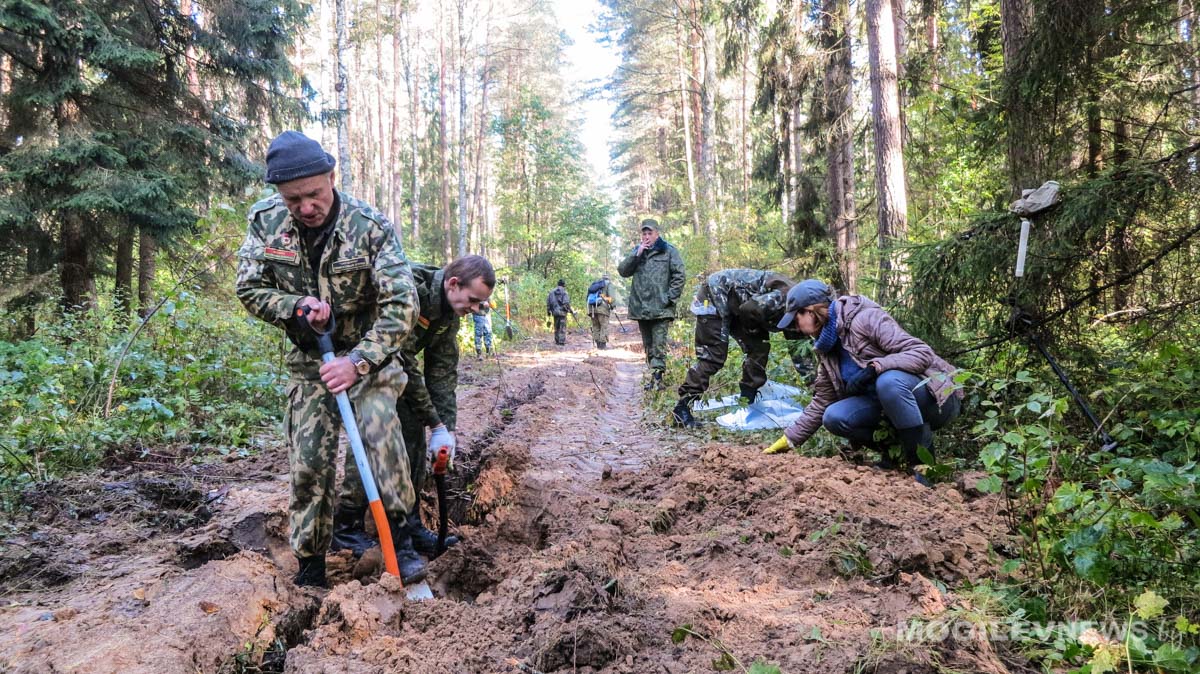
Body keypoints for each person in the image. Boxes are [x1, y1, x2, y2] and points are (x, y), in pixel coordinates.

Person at [235, 131, 419, 588]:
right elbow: (250, 288)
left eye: (314, 194)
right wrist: (296, 306)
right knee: (309, 459)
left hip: (368, 357)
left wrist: (357, 361)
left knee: (379, 431)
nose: (305, 207)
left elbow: (403, 305)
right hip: (310, 361)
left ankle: (400, 539)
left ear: (332, 178)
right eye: (293, 199)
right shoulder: (265, 222)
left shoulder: (369, 226)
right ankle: (312, 563)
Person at [332, 256, 497, 564]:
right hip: (354, 359)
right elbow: (406, 359)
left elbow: (442, 374)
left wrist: (445, 430)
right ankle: (347, 524)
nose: (474, 309)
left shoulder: (448, 313)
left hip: (391, 367)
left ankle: (410, 523)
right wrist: (434, 422)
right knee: (372, 434)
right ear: (452, 284)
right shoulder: (412, 292)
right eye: (473, 300)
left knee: (414, 433)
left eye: (480, 304)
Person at [763, 280, 963, 486]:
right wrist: (788, 439)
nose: (795, 327)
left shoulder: (864, 318)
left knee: (888, 382)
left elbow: (922, 353)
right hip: (892, 409)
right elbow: (822, 401)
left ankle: (923, 466)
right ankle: (895, 454)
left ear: (811, 312)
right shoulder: (826, 346)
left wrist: (875, 367)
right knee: (834, 416)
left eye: (796, 318)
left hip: (935, 399)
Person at [671, 269, 806, 428]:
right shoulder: (783, 299)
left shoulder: (802, 313)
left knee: (759, 349)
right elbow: (749, 309)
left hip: (741, 305)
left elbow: (801, 355)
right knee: (713, 356)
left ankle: (747, 402)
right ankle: (683, 407)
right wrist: (753, 332)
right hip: (715, 294)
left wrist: (818, 393)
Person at [618, 219, 685, 389]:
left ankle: (657, 379)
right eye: (644, 233)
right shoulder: (637, 252)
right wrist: (637, 253)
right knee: (648, 345)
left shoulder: (669, 251)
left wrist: (669, 298)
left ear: (657, 233)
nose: (647, 236)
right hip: (642, 308)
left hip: (661, 309)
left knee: (659, 344)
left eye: (650, 233)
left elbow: (679, 276)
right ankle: (652, 378)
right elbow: (623, 271)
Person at [586, 273, 615, 349]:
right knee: (604, 326)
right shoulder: (609, 284)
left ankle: (598, 344)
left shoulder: (595, 285)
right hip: (602, 309)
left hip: (592, 308)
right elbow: (611, 298)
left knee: (595, 326)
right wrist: (613, 306)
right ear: (609, 278)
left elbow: (587, 297)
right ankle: (602, 345)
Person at [546, 279, 572, 346]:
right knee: (562, 327)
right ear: (564, 285)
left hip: (555, 312)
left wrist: (548, 311)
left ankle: (557, 341)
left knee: (556, 326)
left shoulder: (551, 292)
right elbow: (566, 303)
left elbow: (548, 303)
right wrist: (569, 310)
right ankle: (561, 342)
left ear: (557, 284)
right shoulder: (565, 292)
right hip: (562, 313)